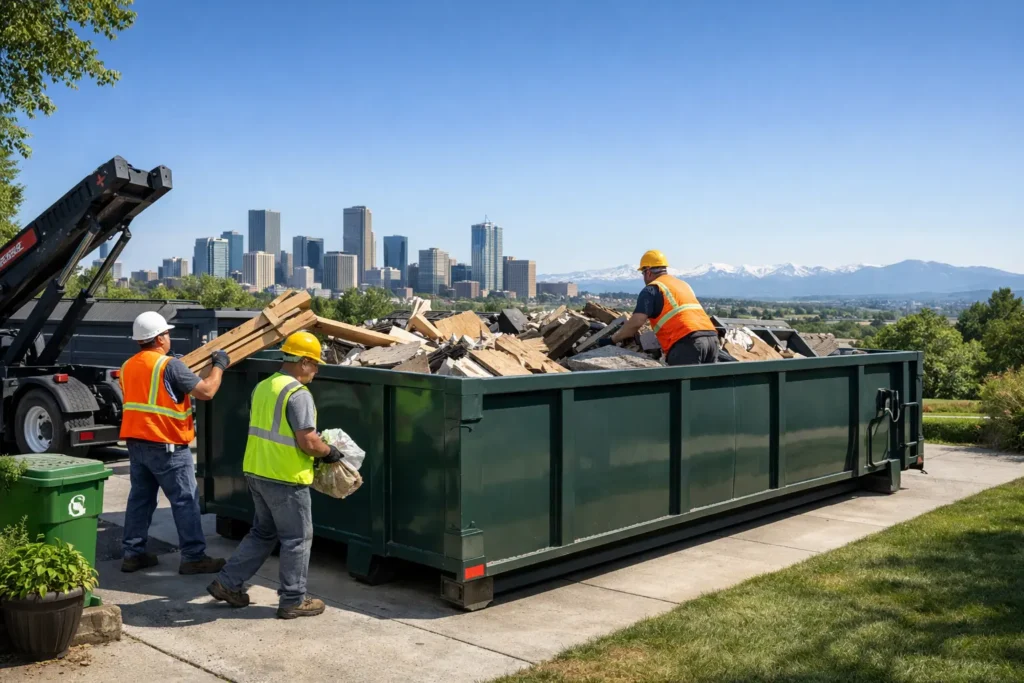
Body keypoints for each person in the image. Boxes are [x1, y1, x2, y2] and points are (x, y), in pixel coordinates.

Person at [206, 331, 344, 619]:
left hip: (257, 472)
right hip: (286, 477)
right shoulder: (298, 394)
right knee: (297, 538)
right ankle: (293, 599)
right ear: (304, 362)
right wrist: (328, 452)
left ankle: (227, 583)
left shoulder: (264, 387)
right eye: (315, 364)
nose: (317, 370)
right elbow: (308, 441)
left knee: (263, 532)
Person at [120, 311, 230, 574]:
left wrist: (180, 369)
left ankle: (133, 554)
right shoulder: (169, 366)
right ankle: (193, 557)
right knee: (185, 500)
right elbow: (206, 391)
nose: (169, 337)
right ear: (158, 339)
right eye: (166, 333)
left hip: (137, 444)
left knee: (140, 500)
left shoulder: (128, 366)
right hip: (166, 446)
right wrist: (220, 366)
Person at [600, 250, 719, 365]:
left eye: (643, 273)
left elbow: (636, 322)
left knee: (682, 384)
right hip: (712, 339)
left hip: (687, 342)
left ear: (648, 272)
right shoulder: (683, 285)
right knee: (704, 384)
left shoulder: (652, 289)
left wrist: (612, 340)